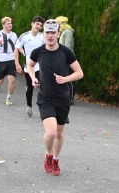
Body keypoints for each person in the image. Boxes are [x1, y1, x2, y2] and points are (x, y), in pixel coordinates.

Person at [27, 19, 84, 176]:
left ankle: (56, 160)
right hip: (45, 97)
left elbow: (79, 73)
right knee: (51, 133)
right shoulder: (38, 52)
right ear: (43, 34)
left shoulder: (66, 52)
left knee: (59, 134)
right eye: (47, 32)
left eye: (53, 32)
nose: (50, 35)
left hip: (62, 98)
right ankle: (48, 156)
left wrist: (65, 79)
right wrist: (33, 78)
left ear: (58, 34)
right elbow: (30, 66)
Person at [14, 16, 45, 117]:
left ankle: (43, 107)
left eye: (40, 25)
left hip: (41, 67)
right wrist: (17, 63)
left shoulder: (42, 36)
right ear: (32, 23)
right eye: (37, 24)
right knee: (30, 87)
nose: (38, 26)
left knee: (43, 86)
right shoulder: (24, 36)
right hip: (29, 67)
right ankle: (29, 105)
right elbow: (16, 49)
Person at [56, 16, 76, 105]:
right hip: (62, 58)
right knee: (63, 77)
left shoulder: (67, 32)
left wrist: (66, 58)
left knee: (70, 79)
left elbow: (68, 47)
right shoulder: (63, 32)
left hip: (68, 59)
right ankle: (63, 96)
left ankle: (70, 98)